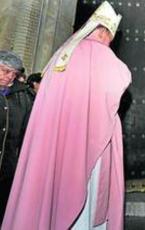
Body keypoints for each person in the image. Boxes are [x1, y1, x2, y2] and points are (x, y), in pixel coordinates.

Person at [1, 1, 131, 230]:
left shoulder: (61, 54)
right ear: (102, 32)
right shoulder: (102, 55)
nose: (109, 42)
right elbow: (120, 79)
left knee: (53, 191)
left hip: (58, 141)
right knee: (87, 197)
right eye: (109, 36)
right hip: (91, 141)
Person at [0, 51, 34, 224]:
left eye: (14, 73)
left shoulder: (24, 97)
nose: (10, 77)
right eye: (5, 71)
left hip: (7, 170)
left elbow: (28, 133)